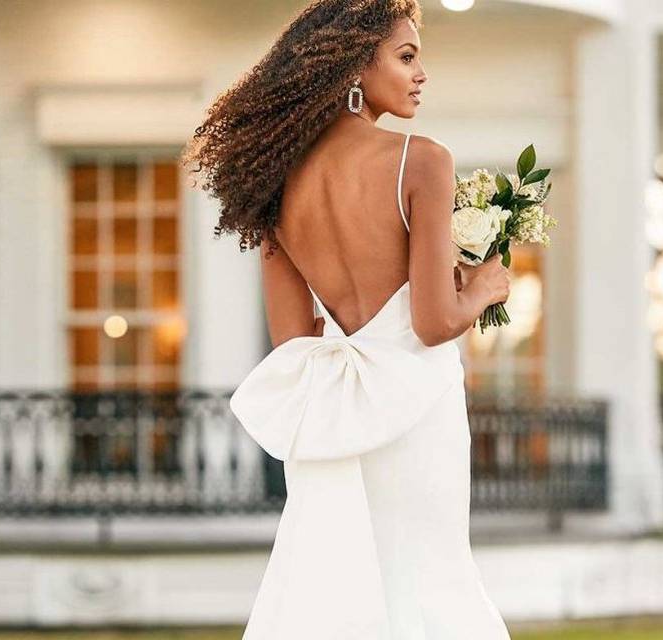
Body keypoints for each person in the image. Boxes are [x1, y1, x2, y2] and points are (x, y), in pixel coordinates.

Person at [182, 1, 512, 637]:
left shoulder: (272, 182)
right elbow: (435, 321)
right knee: (431, 578)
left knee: (340, 591)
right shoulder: (423, 159)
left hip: (336, 412)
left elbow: (293, 340)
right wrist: (485, 287)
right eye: (407, 56)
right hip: (419, 407)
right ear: (355, 63)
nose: (421, 75)